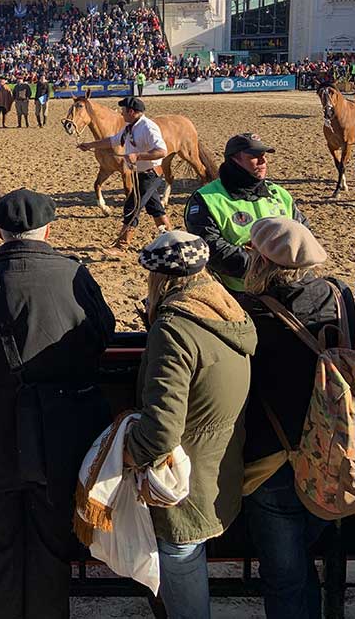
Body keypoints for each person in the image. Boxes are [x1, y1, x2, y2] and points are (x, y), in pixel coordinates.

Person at [0, 189, 114, 619]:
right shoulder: (74, 275)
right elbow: (102, 335)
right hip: (58, 435)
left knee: (0, 548)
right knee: (52, 548)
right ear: (49, 230)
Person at [125, 231, 257, 619]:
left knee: (180, 555)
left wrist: (127, 453)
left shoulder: (173, 327)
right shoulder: (228, 310)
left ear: (160, 279)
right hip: (218, 467)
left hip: (182, 482)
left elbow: (162, 427)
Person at [240, 217, 355, 619]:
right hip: (333, 456)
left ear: (258, 262)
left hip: (270, 461)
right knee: (320, 553)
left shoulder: (247, 313)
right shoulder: (339, 298)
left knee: (284, 575)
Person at [185, 133, 308, 293]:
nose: (263, 162)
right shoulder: (205, 199)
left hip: (286, 286)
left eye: (264, 156)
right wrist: (262, 270)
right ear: (234, 160)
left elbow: (303, 233)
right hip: (237, 293)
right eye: (254, 157)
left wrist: (281, 272)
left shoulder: (279, 193)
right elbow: (212, 249)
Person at [78, 96, 170, 258]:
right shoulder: (130, 127)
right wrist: (90, 145)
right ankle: (170, 238)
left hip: (150, 174)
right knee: (155, 208)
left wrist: (138, 156)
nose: (121, 114)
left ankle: (122, 246)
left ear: (132, 112)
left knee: (131, 207)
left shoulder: (148, 127)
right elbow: (113, 141)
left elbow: (162, 151)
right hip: (141, 174)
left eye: (123, 111)